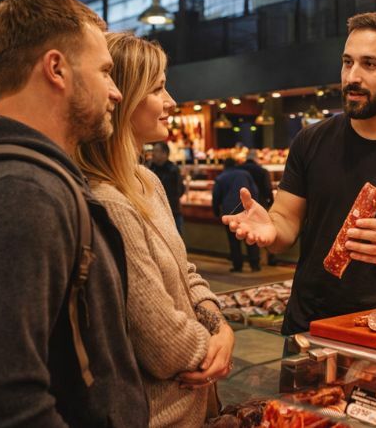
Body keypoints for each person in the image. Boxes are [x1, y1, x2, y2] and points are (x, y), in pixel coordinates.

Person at [0, 0, 148, 426]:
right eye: (105, 72)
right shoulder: (17, 194)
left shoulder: (22, 181)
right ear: (56, 68)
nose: (117, 93)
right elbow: (0, 407)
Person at [223, 12, 376, 335]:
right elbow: (285, 221)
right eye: (347, 62)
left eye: (369, 64)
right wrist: (270, 230)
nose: (352, 76)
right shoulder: (311, 141)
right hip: (306, 329)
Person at [75, 32, 234, 427]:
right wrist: (213, 346)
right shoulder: (109, 202)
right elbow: (164, 345)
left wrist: (222, 326)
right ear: (123, 97)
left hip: (197, 407)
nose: (171, 102)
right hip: (161, 415)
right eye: (158, 88)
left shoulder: (147, 181)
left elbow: (187, 273)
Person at [213, 158, 261, 272]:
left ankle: (237, 265)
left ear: (224, 166)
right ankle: (255, 264)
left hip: (230, 213)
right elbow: (254, 191)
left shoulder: (220, 178)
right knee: (250, 237)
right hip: (246, 211)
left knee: (233, 240)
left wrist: (216, 212)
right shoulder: (245, 174)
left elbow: (216, 197)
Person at [239, 149, 277, 265]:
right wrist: (270, 202)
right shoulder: (262, 171)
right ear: (256, 158)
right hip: (261, 205)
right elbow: (267, 189)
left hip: (243, 205)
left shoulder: (239, 170)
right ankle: (268, 259)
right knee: (264, 232)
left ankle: (251, 260)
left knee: (247, 233)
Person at [149, 140, 186, 232]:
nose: (153, 153)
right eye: (153, 150)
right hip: (154, 214)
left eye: (156, 151)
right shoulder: (149, 168)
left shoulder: (173, 170)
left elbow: (179, 191)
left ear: (164, 154)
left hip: (173, 213)